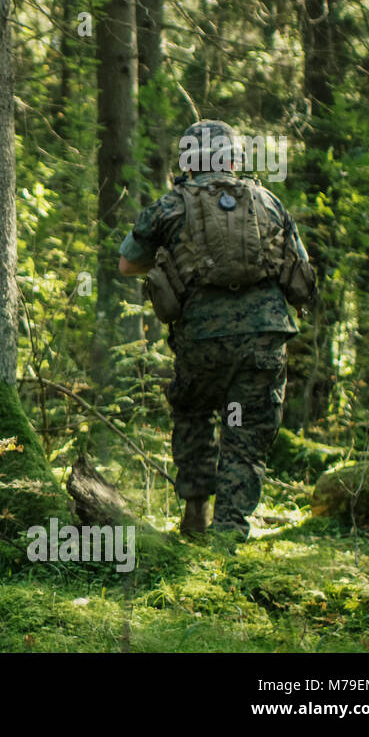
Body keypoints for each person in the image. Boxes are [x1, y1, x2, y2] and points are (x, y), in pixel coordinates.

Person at [118, 119, 316, 539]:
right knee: (246, 433)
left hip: (201, 340)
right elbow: (300, 273)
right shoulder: (268, 202)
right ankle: (230, 531)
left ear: (188, 161)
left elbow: (127, 262)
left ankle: (195, 515)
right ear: (234, 157)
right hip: (264, 338)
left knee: (192, 413)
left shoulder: (171, 205)